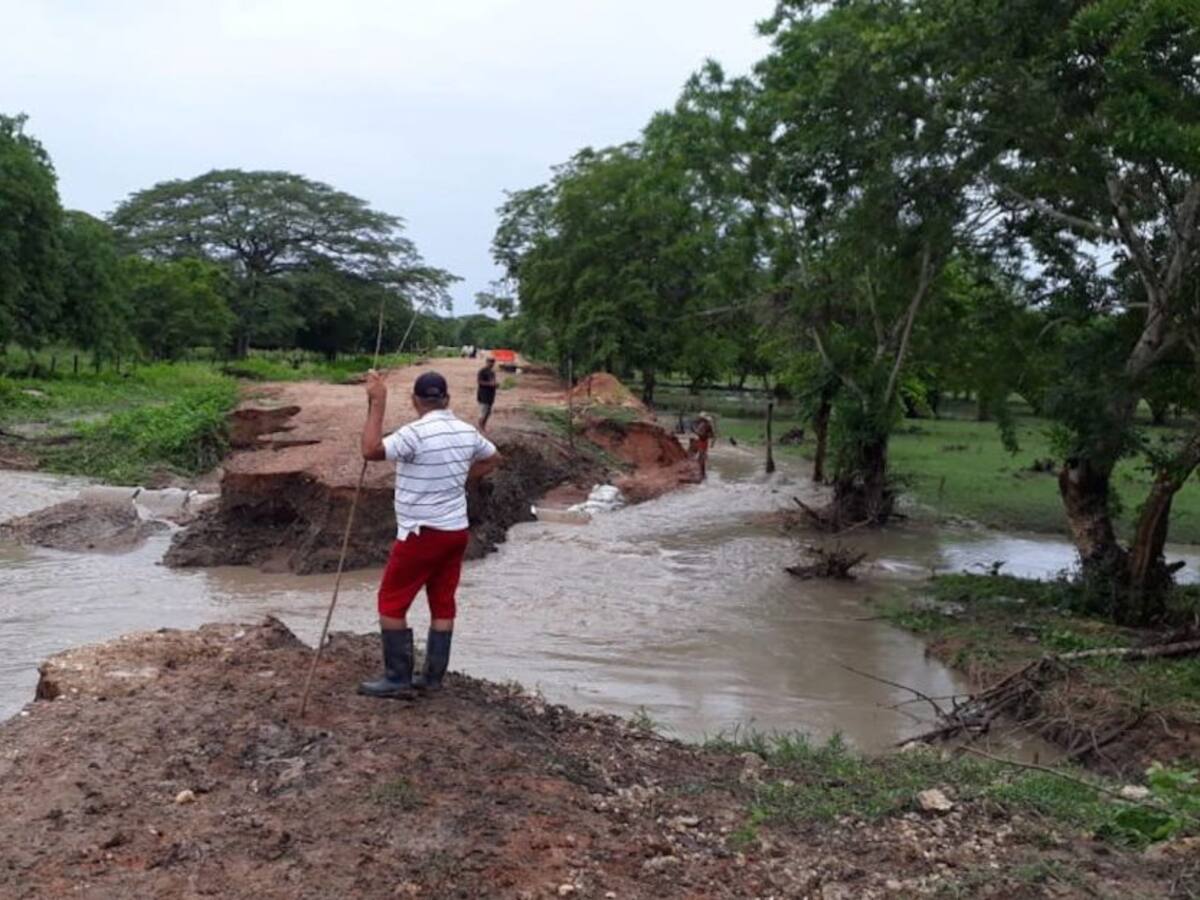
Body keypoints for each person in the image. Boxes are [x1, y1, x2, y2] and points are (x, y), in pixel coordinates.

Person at [358, 369, 501, 698]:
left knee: (391, 603)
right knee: (442, 603)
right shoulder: (466, 431)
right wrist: (463, 478)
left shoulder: (414, 434)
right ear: (447, 399)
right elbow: (495, 458)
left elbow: (370, 450)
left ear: (415, 401)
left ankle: (397, 679)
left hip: (421, 533)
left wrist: (377, 403)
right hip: (456, 532)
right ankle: (433, 677)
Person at [476, 356, 498, 432]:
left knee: (488, 412)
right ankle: (480, 428)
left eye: (493, 362)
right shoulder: (482, 371)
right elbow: (479, 382)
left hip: (490, 395)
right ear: (487, 362)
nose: (491, 364)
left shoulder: (492, 372)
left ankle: (483, 426)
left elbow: (493, 382)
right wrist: (490, 384)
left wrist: (495, 385)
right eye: (490, 362)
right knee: (483, 412)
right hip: (483, 395)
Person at [692, 412, 715, 480]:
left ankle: (702, 474)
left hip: (703, 441)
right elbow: (700, 433)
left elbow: (711, 435)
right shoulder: (702, 424)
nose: (700, 419)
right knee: (700, 457)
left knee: (701, 457)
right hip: (701, 441)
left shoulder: (706, 425)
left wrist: (702, 434)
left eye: (701, 418)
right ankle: (702, 473)